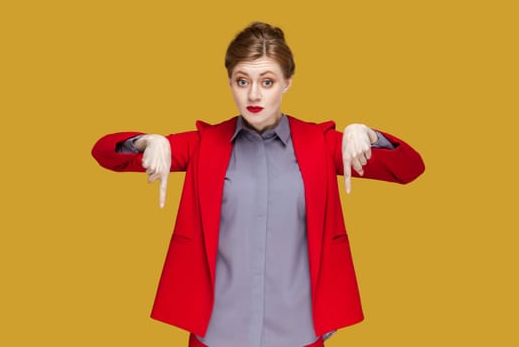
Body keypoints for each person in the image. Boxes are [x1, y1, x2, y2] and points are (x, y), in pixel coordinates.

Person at [92, 21, 425, 347]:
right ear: (230, 82)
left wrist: (368, 135)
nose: (253, 94)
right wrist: (147, 142)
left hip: (299, 333)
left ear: (287, 82)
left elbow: (408, 168)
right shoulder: (203, 144)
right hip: (217, 334)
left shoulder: (320, 144)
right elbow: (107, 154)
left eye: (267, 82)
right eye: (242, 81)